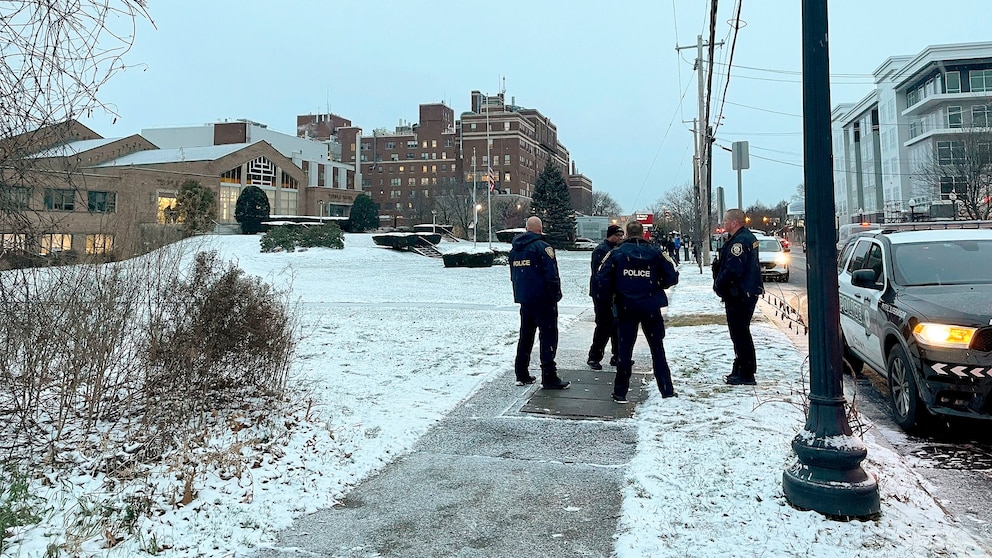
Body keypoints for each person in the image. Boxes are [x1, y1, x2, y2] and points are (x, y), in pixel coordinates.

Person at [596, 221, 679, 403]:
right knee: (657, 349)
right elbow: (672, 276)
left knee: (625, 351)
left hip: (626, 307)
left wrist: (615, 292)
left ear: (626, 234)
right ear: (643, 234)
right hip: (650, 306)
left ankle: (620, 392)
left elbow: (601, 278)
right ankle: (666, 389)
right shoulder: (655, 252)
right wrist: (656, 285)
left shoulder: (616, 253)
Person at [509, 216, 571, 390]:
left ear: (526, 228)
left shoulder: (515, 250)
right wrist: (555, 295)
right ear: (540, 229)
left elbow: (514, 275)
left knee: (526, 337)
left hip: (525, 299)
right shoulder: (543, 248)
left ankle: (521, 372)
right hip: (543, 300)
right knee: (548, 337)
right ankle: (549, 376)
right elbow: (551, 275)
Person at [712, 208, 763, 386]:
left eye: (726, 220)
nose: (723, 223)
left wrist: (719, 284)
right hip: (743, 291)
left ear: (734, 222)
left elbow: (733, 269)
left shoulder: (740, 242)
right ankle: (741, 367)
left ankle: (746, 372)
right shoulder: (744, 237)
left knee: (740, 333)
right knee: (740, 332)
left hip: (740, 293)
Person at [586, 224, 624, 370]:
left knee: (617, 325)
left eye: (621, 236)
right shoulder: (602, 250)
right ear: (610, 236)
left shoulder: (618, 250)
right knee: (604, 325)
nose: (620, 238)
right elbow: (600, 274)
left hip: (615, 294)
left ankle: (617, 355)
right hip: (602, 294)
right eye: (617, 236)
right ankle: (594, 356)